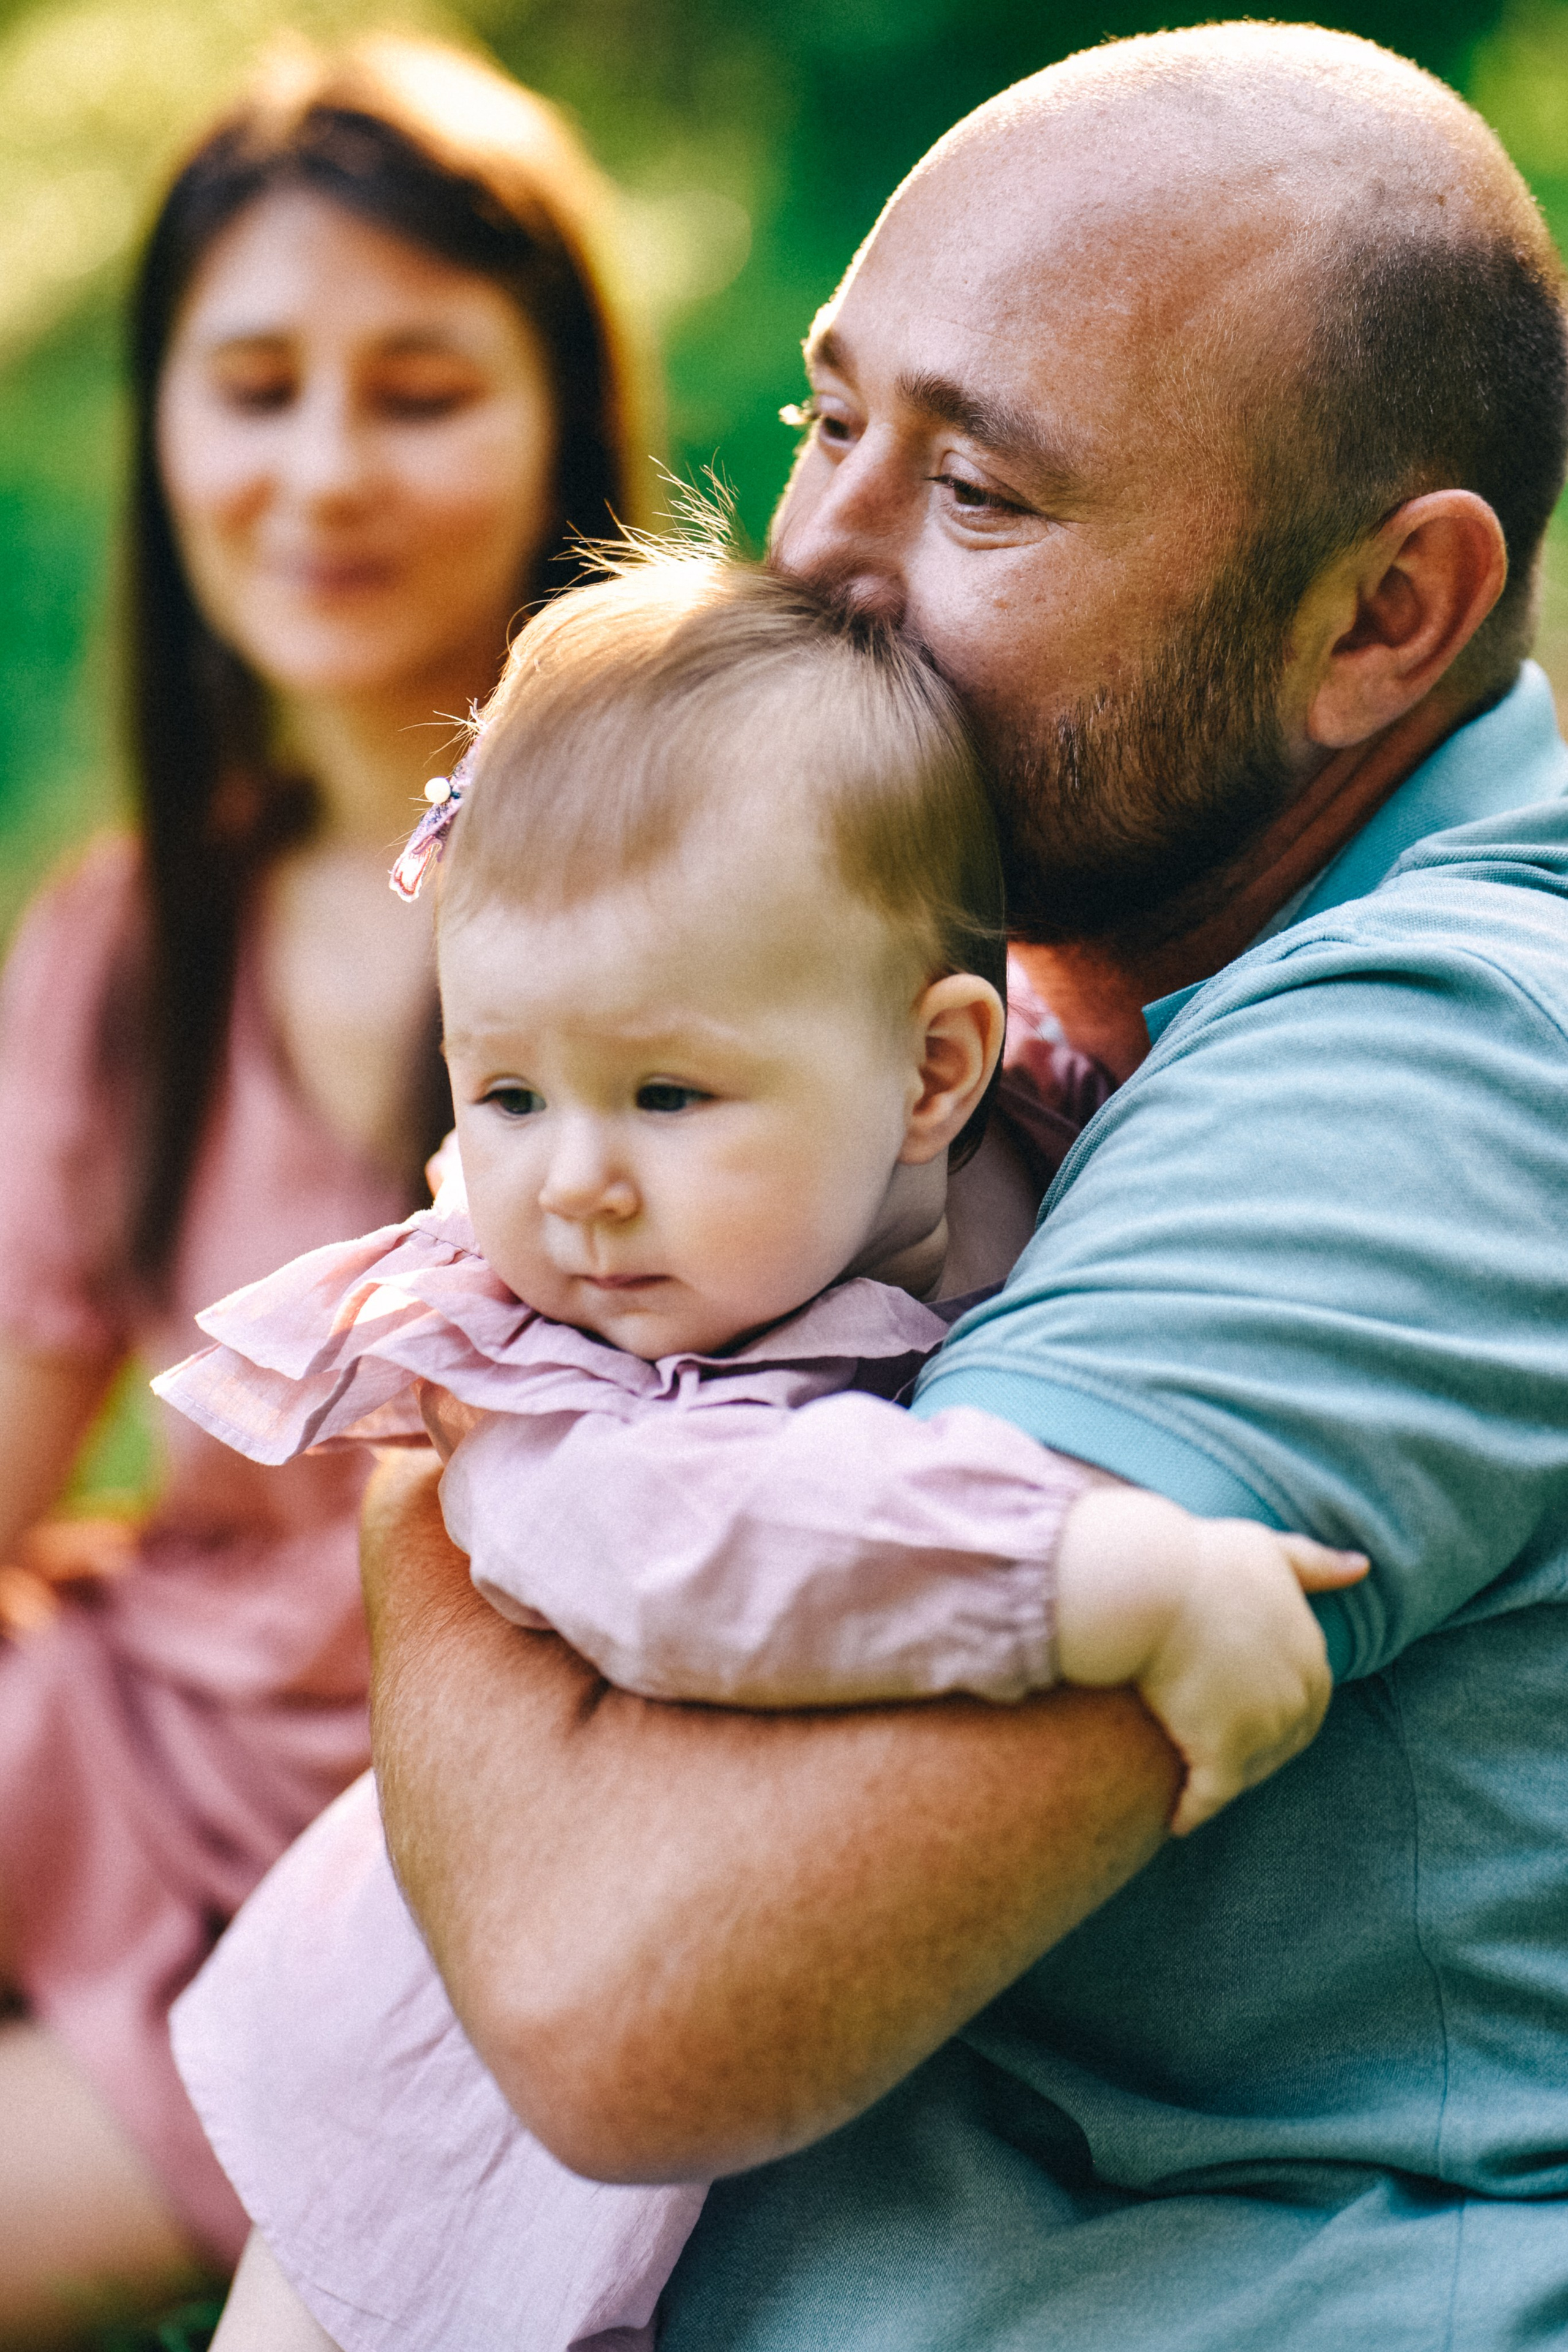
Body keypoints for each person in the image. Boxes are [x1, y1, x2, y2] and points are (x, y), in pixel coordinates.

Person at [336, 23, 1568, 2352]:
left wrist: (455, 1401)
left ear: (1383, 618)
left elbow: (636, 2018)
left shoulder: (1435, 1080)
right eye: (827, 424)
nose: (820, 559)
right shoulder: (1106, 970)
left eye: (980, 497)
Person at [157, 551, 1360, 2352]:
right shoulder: (552, 1382)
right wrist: (1100, 1578)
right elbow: (719, 1561)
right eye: (504, 1091)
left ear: (936, 1073)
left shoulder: (991, 1119)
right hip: (430, 2135)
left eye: (665, 1092)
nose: (573, 1180)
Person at [0, 31, 652, 2346]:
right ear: (165, 426)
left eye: (418, 387)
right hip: (103, 1748)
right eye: (254, 386)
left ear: (563, 411)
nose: (322, 471)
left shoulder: (701, 902)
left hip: (396, 1839)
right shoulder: (129, 939)